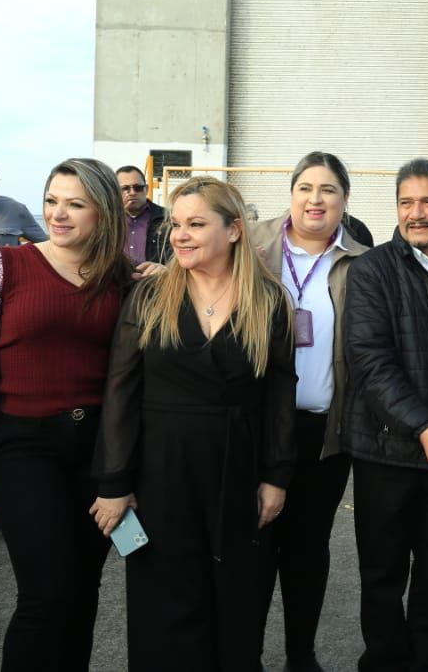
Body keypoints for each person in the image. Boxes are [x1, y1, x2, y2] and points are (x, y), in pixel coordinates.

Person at [91, 176, 296, 670]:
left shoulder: (269, 302)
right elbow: (120, 392)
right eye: (177, 224)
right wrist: (114, 482)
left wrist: (276, 477)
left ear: (233, 231)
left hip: (238, 472)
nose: (180, 235)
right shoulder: (148, 297)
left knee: (237, 605)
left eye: (196, 224)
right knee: (165, 608)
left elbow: (278, 396)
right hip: (161, 474)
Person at [0, 158, 131, 670]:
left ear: (104, 211)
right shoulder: (4, 265)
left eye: (74, 204)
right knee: (46, 592)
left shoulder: (123, 277)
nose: (58, 214)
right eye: (51, 201)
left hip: (97, 450)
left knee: (84, 589)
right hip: (24, 446)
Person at [343, 158, 428, 672]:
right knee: (382, 571)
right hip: (386, 449)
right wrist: (422, 427)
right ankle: (383, 661)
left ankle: (423, 661)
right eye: (405, 202)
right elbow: (369, 359)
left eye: (427, 202)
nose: (415, 213)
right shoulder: (373, 269)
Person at [249, 151, 369, 672]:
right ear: (291, 193)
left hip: (323, 430)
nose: (315, 200)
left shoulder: (363, 263)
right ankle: (243, 654)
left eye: (328, 190)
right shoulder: (250, 246)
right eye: (305, 188)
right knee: (252, 546)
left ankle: (301, 654)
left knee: (306, 549)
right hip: (253, 428)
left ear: (344, 201)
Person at [115, 165, 171, 267]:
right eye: (125, 188)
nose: (132, 193)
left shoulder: (166, 218)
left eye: (138, 188)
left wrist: (165, 270)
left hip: (155, 280)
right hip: (118, 280)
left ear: (147, 189)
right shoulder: (107, 220)